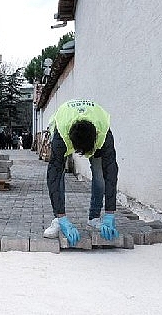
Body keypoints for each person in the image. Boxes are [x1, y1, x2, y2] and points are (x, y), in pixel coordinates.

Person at [43, 99, 120, 246]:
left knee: (99, 174)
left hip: (95, 131)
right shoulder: (61, 137)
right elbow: (52, 176)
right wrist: (62, 217)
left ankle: (94, 219)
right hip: (64, 129)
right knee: (59, 175)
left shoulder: (103, 133)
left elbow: (111, 173)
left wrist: (110, 213)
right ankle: (59, 220)